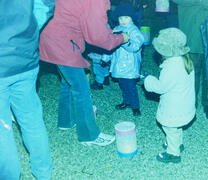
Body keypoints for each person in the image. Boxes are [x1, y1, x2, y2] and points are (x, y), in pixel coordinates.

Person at [39, 0, 129, 146]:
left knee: (68, 81)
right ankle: (89, 135)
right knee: (81, 88)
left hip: (50, 35)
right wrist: (121, 38)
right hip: (64, 42)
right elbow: (97, 36)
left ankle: (66, 121)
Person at [0, 0, 54, 179]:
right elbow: (46, 4)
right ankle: (44, 173)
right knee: (32, 121)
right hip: (25, 59)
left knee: (2, 130)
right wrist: (27, 31)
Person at [143, 28, 196, 163]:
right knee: (176, 127)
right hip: (185, 103)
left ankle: (173, 153)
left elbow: (161, 87)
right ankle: (177, 143)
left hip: (174, 107)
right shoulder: (185, 60)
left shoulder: (171, 67)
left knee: (169, 128)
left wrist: (148, 80)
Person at [107, 2, 144, 116]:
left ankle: (135, 106)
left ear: (131, 18)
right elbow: (110, 45)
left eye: (126, 17)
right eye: (121, 17)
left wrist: (123, 41)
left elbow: (136, 46)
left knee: (131, 86)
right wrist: (106, 57)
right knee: (123, 85)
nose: (123, 20)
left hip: (130, 64)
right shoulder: (116, 29)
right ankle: (126, 101)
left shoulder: (134, 30)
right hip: (118, 63)